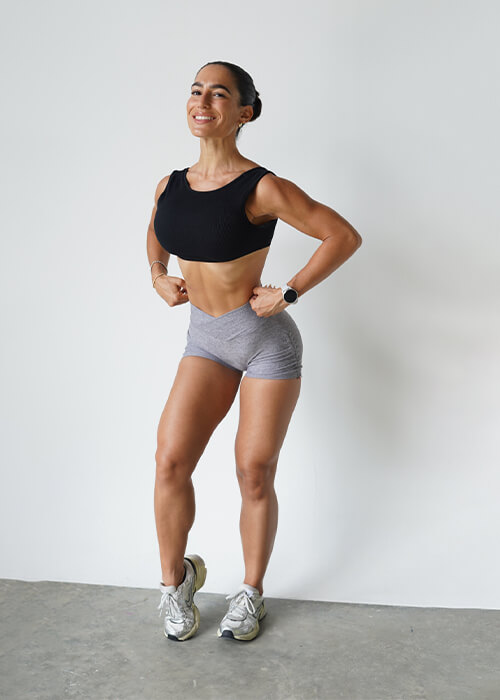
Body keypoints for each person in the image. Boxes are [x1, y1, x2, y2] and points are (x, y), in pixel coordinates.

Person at [146, 60, 362, 643]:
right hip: (205, 339)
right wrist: (158, 274)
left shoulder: (262, 186)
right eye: (196, 90)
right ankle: (175, 583)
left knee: (254, 471)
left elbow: (342, 235)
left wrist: (289, 291)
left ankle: (250, 592)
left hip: (264, 343)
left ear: (244, 112)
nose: (202, 102)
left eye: (219, 94)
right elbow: (158, 232)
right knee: (170, 461)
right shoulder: (171, 185)